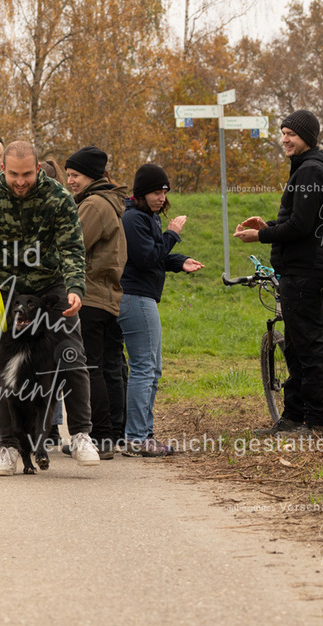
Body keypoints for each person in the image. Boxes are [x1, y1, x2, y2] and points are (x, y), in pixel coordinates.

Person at [0, 140, 102, 475]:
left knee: (72, 355)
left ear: (38, 169)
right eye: (13, 175)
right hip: (5, 289)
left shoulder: (58, 197)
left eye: (26, 174)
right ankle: (7, 445)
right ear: (3, 170)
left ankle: (81, 434)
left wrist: (75, 288)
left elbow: (71, 247)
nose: (20, 181)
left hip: (50, 288)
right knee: (2, 368)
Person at [234, 109, 323, 439]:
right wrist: (268, 225)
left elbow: (300, 227)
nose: (284, 139)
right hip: (307, 264)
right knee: (297, 347)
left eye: (292, 134)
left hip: (305, 269)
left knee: (308, 349)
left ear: (308, 138)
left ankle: (315, 424)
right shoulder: (313, 168)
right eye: (282, 133)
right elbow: (303, 222)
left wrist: (261, 236)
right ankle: (293, 418)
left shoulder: (311, 170)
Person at [119, 163, 204, 456]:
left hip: (142, 297)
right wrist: (172, 235)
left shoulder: (147, 217)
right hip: (135, 298)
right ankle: (137, 436)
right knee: (145, 368)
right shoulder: (133, 219)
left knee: (151, 369)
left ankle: (141, 433)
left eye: (165, 191)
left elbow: (156, 255)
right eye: (156, 191)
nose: (161, 197)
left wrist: (178, 261)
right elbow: (145, 258)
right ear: (141, 193)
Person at [64, 146, 128, 458]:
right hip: (103, 297)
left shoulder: (93, 205)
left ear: (90, 175)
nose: (70, 180)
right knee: (98, 367)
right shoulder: (106, 202)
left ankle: (97, 436)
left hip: (88, 296)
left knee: (85, 368)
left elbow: (71, 243)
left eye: (75, 175)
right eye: (68, 174)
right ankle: (105, 435)